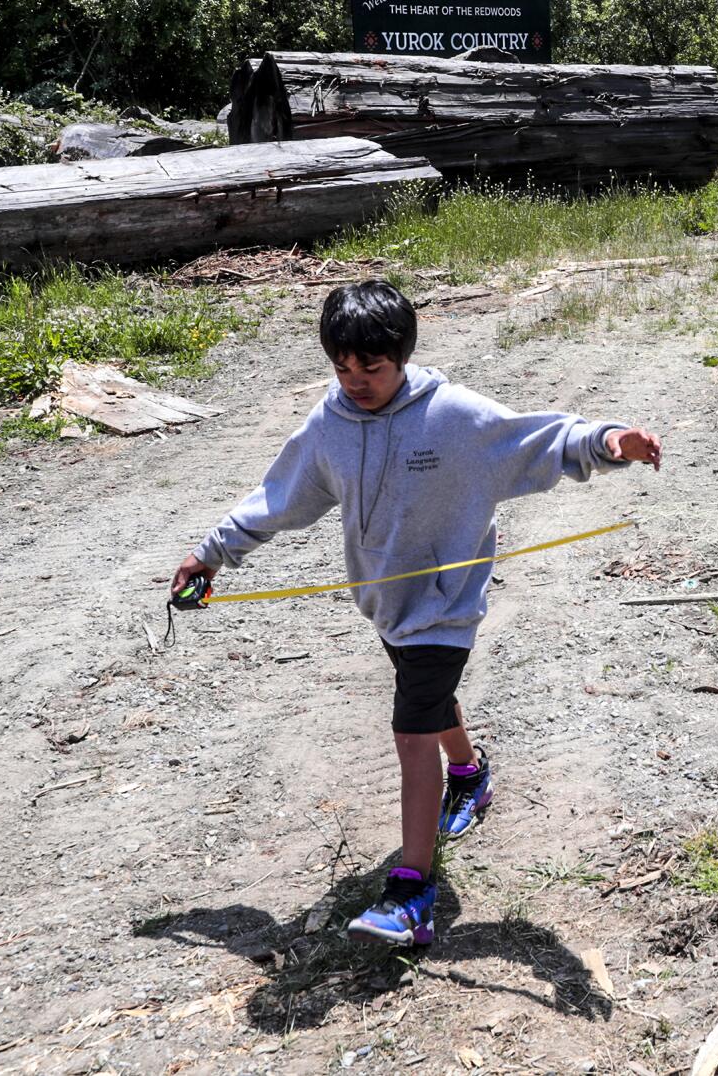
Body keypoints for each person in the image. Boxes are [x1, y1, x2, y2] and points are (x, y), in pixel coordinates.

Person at [168, 280, 661, 948]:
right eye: (343, 367)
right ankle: (469, 774)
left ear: (401, 356)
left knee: (410, 730)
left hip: (446, 606)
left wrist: (608, 442)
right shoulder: (330, 424)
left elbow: (538, 438)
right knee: (428, 701)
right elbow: (278, 497)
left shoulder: (453, 416)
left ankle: (412, 893)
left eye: (371, 367)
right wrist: (211, 554)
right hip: (388, 604)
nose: (356, 381)